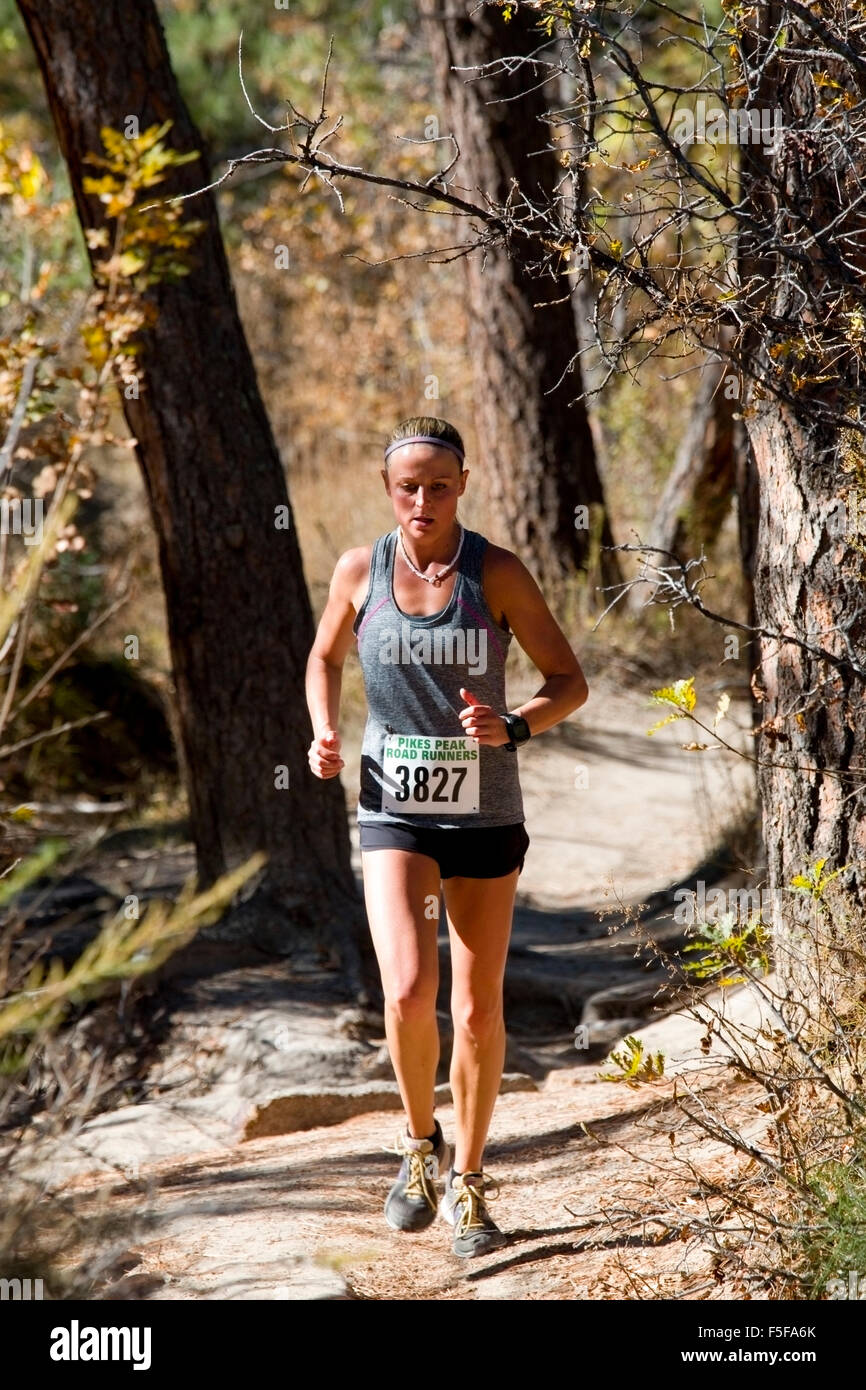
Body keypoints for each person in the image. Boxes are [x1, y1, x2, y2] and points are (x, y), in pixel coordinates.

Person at [305, 416, 588, 1257]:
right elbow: (322, 657)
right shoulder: (362, 570)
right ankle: (417, 1145)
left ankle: (468, 1182)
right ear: (386, 489)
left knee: (475, 1010)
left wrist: (514, 727)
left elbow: (568, 680)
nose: (421, 499)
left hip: (486, 815)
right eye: (406, 486)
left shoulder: (494, 573)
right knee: (403, 991)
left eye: (437, 484)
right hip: (393, 806)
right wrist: (323, 731)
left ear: (463, 483)